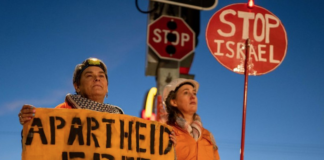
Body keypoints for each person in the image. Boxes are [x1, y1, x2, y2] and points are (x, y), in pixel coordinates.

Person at [18, 57, 124, 125]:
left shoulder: (121, 119)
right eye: (89, 75)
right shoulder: (62, 112)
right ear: (77, 86)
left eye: (101, 76)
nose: (97, 78)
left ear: (107, 86)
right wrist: (30, 123)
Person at [162, 78, 220, 160]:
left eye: (194, 93)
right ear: (174, 102)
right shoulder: (167, 132)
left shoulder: (208, 136)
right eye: (186, 93)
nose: (193, 97)